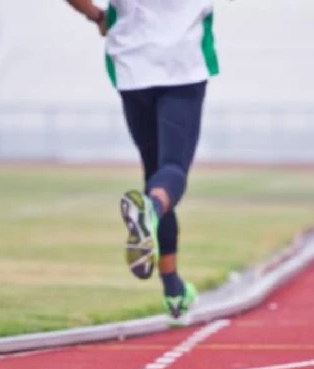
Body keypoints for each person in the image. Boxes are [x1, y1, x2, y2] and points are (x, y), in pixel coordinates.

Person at [65, 0, 220, 318]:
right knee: (172, 172)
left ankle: (173, 290)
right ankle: (149, 212)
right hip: (183, 64)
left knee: (155, 176)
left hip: (132, 67)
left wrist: (96, 16)